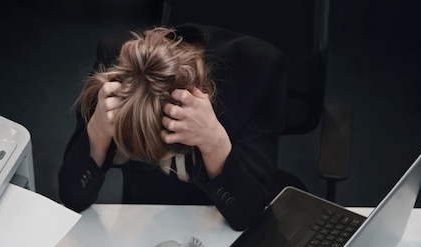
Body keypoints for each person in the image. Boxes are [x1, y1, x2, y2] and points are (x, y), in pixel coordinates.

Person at [59, 24, 302, 231]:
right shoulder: (115, 64)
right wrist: (99, 129)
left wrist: (213, 140)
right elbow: (71, 196)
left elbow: (247, 215)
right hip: (146, 214)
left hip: (220, 215)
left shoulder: (260, 69)